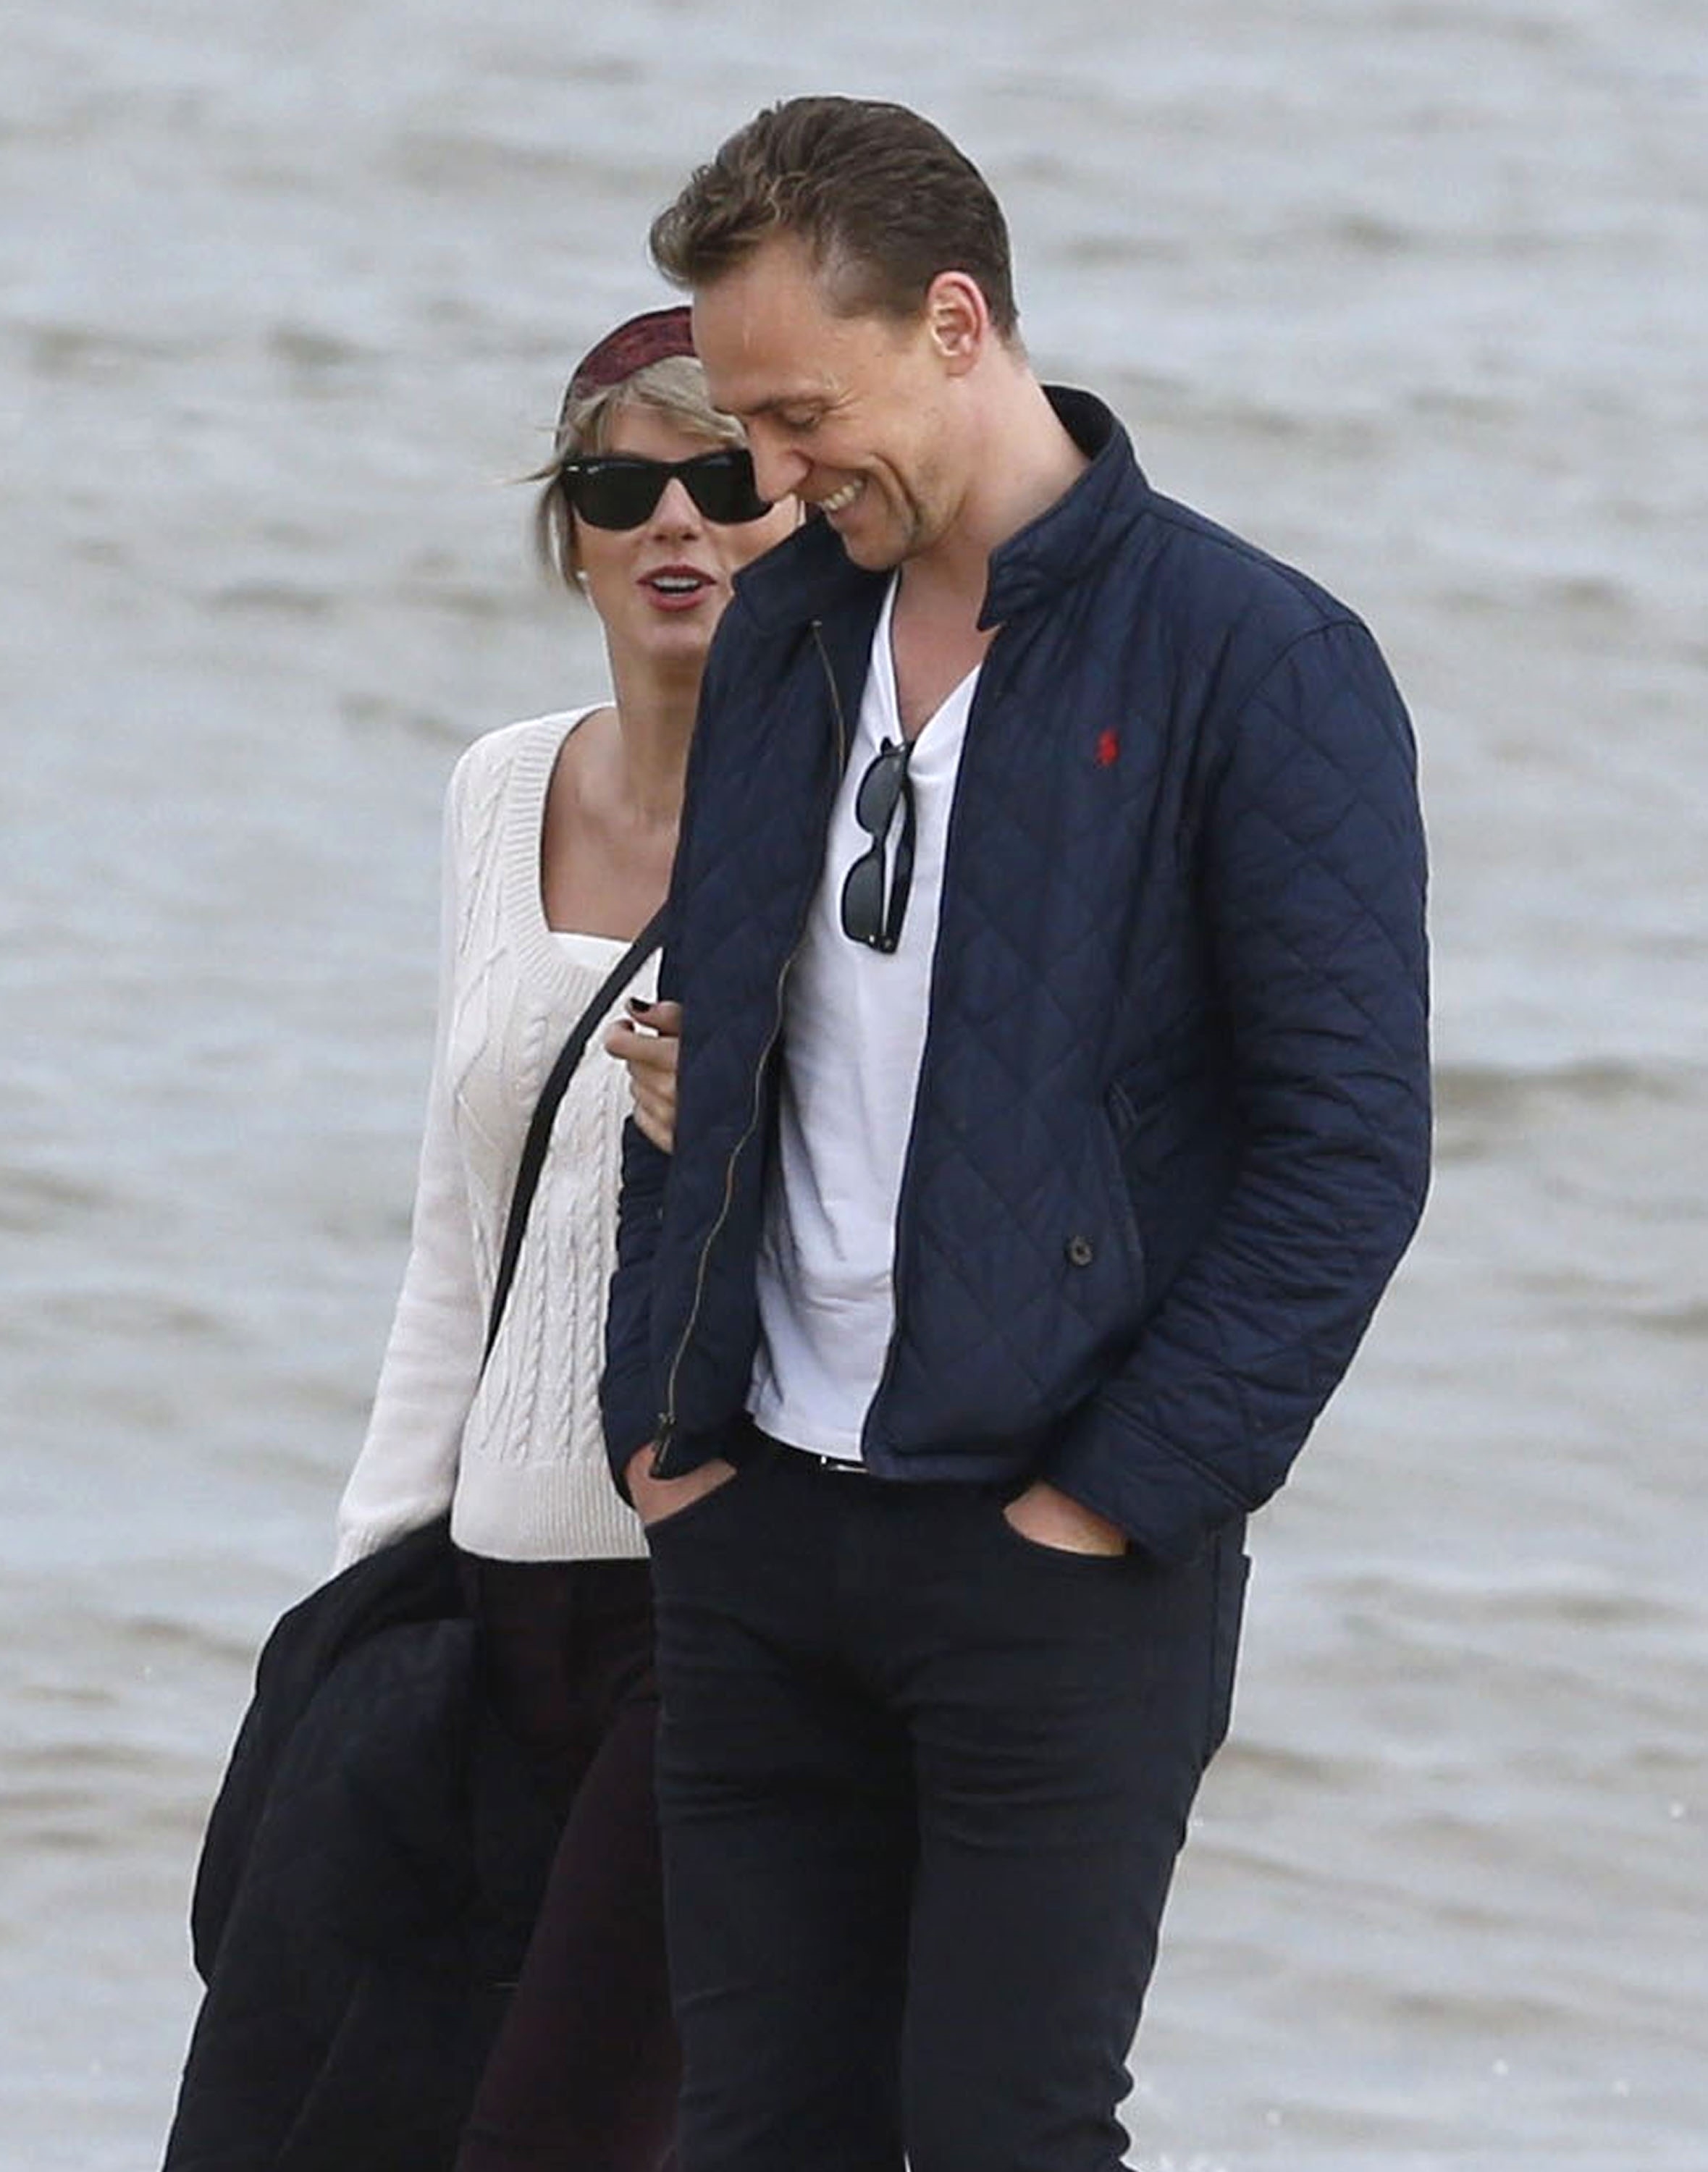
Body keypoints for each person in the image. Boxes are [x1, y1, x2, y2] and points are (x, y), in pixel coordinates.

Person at [600, 96, 1432, 2172]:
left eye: (798, 415)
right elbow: (698, 1030)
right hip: (758, 1521)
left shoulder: (1263, 661)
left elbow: (1349, 1155)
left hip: (1056, 1558)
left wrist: (1112, 1504)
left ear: (957, 322)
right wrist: (662, 1422)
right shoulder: (795, 633)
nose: (769, 480)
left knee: (1005, 2138)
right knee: (752, 2136)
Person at [163, 305, 794, 2172]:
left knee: (566, 2131)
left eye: (724, 479)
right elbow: (463, 1218)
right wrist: (367, 1590)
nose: (675, 523)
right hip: (480, 1590)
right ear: (571, 533)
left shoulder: (861, 821)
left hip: (707, 1587)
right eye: (623, 485)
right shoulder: (497, 787)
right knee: (300, 2115)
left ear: (800, 511)